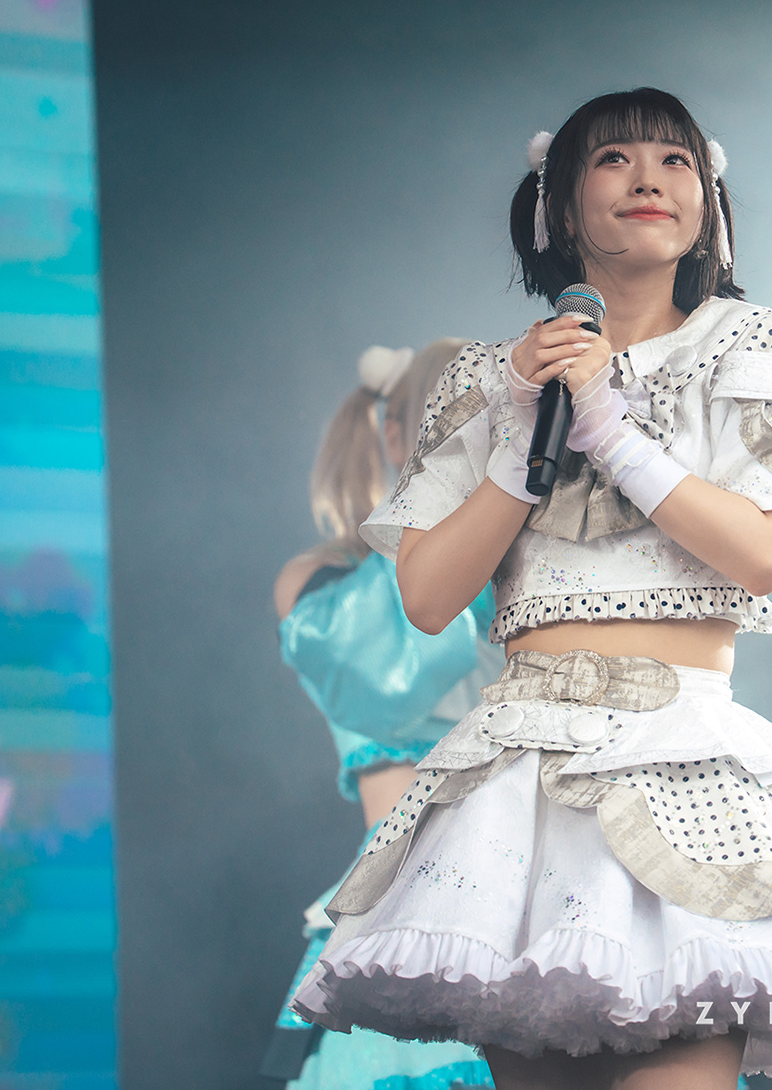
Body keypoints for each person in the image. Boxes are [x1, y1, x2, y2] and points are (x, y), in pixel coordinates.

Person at [291, 88, 772, 1088]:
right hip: (521, 778)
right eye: (613, 158)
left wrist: (613, 430)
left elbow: (763, 554)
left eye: (675, 161)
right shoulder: (488, 378)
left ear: (707, 205)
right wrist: (522, 439)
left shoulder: (746, 345)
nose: (648, 178)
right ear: (557, 205)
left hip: (682, 760)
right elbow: (425, 598)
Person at [262, 342, 504, 1090]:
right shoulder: (324, 586)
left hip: (547, 886)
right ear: (397, 436)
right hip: (411, 894)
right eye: (449, 420)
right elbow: (389, 666)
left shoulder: (532, 565)